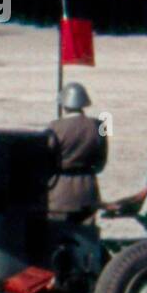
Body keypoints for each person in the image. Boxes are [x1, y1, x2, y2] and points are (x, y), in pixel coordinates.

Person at [46, 83, 108, 222]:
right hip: (88, 190)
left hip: (59, 191)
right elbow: (101, 161)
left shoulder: (54, 127)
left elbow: (47, 159)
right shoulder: (100, 125)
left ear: (64, 104)